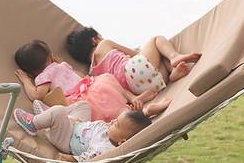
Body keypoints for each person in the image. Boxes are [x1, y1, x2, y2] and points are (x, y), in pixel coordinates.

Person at [14, 40, 163, 121]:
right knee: (111, 82)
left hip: (81, 99)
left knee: (107, 115)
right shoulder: (62, 65)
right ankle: (133, 98)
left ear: (31, 72)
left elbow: (36, 95)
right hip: (93, 85)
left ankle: (138, 112)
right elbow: (81, 76)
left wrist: (26, 80)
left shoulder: (43, 77)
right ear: (51, 57)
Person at [66, 27, 201, 95]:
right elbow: (134, 54)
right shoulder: (104, 44)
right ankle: (174, 57)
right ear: (95, 40)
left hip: (139, 89)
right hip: (133, 70)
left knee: (157, 59)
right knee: (156, 40)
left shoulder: (92, 73)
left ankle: (173, 72)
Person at [13, 102, 154, 162]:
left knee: (58, 112)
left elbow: (88, 159)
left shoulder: (104, 148)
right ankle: (49, 116)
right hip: (78, 125)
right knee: (84, 105)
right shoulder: (112, 134)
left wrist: (73, 159)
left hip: (66, 139)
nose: (112, 121)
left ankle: (34, 123)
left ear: (122, 141)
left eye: (116, 124)